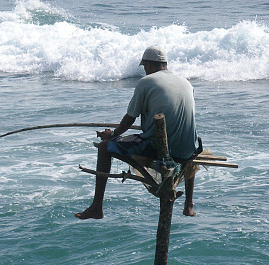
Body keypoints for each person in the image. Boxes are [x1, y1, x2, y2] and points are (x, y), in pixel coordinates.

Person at [75, 45, 200, 220]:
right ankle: (189, 205)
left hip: (161, 149)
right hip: (189, 149)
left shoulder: (146, 82)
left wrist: (113, 135)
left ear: (148, 64)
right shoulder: (185, 82)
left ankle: (96, 207)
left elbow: (130, 118)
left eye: (144, 67)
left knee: (104, 147)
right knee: (191, 147)